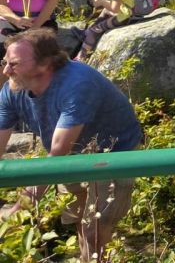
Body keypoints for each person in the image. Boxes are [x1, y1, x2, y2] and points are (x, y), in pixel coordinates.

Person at [0, 28, 144, 261]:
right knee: (79, 219)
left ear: (45, 64)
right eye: (5, 62)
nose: (6, 71)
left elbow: (58, 152)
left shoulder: (77, 84)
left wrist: (19, 209)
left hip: (113, 154)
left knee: (94, 229)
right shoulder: (13, 89)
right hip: (72, 154)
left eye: (14, 64)